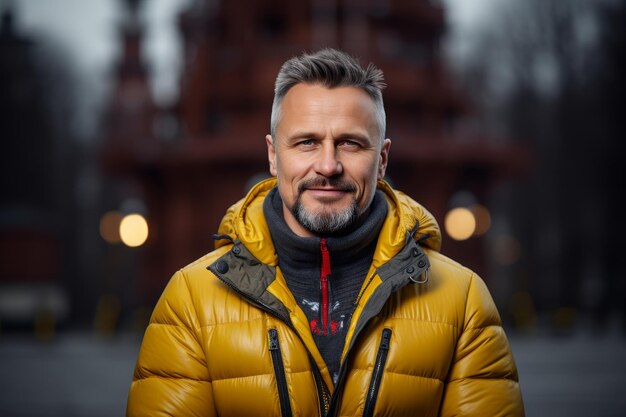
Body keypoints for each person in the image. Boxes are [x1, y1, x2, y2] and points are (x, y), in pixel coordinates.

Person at [126, 48, 524, 417]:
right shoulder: (192, 303)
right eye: (306, 142)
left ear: (382, 159)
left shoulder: (462, 301)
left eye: (350, 144)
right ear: (272, 154)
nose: (328, 165)